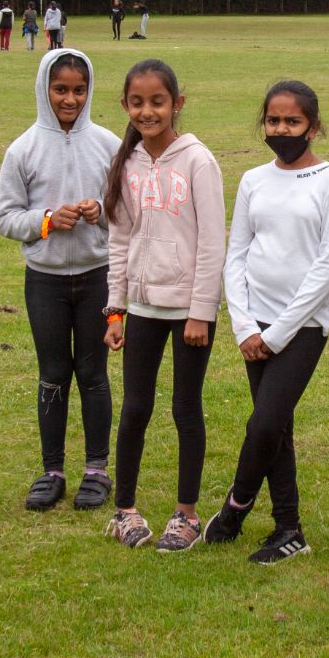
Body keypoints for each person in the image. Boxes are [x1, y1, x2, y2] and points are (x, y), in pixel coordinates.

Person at [203, 80, 329, 564]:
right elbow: (237, 256)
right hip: (255, 326)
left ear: (313, 126)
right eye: (273, 120)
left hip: (303, 327)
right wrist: (245, 327)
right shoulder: (253, 180)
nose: (282, 129)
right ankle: (289, 529)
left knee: (264, 423)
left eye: (292, 121)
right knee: (277, 429)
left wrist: (276, 334)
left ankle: (236, 506)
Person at [101, 59, 224, 551]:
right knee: (134, 408)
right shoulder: (126, 163)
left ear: (178, 103)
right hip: (143, 307)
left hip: (189, 312)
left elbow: (214, 243)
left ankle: (186, 515)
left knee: (185, 407)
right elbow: (119, 239)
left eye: (157, 101)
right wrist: (115, 308)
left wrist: (201, 311)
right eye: (137, 102)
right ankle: (125, 509)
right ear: (125, 106)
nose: (147, 111)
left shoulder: (198, 161)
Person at [0, 49, 122, 513]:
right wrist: (45, 220)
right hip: (45, 281)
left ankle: (97, 470)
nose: (70, 99)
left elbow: (125, 213)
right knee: (53, 375)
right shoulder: (23, 149)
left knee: (92, 374)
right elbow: (5, 218)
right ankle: (52, 471)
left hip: (96, 277)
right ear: (44, 89)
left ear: (90, 92)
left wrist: (100, 212)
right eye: (61, 89)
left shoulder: (108, 145)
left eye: (79, 90)